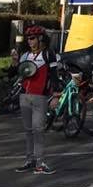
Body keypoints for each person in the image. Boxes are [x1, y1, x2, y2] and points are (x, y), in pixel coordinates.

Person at [11, 25, 59, 175]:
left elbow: (54, 75)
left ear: (40, 39)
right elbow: (16, 73)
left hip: (40, 96)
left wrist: (56, 96)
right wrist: (14, 62)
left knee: (38, 130)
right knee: (28, 131)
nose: (30, 41)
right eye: (28, 39)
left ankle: (40, 162)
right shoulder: (25, 55)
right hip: (25, 96)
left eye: (32, 38)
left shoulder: (48, 54)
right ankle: (29, 160)